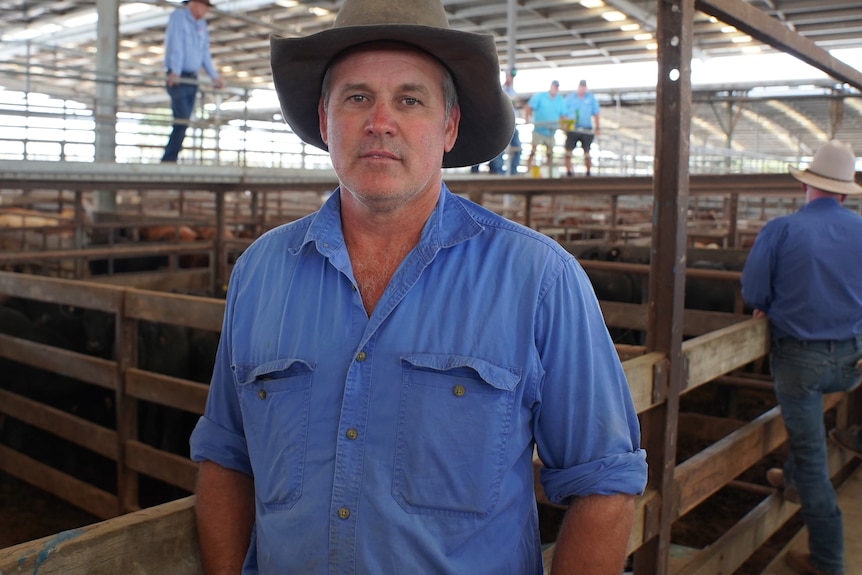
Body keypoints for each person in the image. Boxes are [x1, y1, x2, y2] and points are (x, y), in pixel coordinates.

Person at [190, 0, 647, 573]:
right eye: (357, 98)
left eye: (410, 100)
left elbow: (604, 483)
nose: (380, 121)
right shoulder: (260, 273)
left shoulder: (539, 280)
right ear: (325, 118)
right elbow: (227, 458)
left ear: (449, 126)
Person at [741, 140, 862, 575]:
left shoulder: (782, 229)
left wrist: (769, 304)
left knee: (813, 458)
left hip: (799, 362)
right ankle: (791, 479)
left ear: (808, 186)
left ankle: (829, 562)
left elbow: (754, 293)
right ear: (845, 192)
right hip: (850, 361)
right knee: (809, 432)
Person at [161, 0, 223, 163]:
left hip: (192, 78)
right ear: (194, 3)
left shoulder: (201, 24)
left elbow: (204, 53)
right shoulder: (179, 16)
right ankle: (169, 159)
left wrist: (214, 76)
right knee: (182, 118)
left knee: (184, 120)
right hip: (178, 77)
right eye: (204, 5)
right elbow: (176, 45)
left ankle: (170, 158)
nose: (206, 10)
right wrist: (175, 71)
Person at [524, 80, 567, 176]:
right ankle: (528, 170)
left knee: (550, 153)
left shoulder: (560, 100)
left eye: (556, 87)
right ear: (551, 86)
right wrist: (527, 119)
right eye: (554, 86)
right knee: (533, 151)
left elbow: (563, 115)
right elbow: (528, 107)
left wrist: (564, 127)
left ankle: (549, 172)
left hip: (551, 132)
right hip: (539, 129)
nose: (554, 88)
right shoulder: (540, 96)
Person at [563, 79, 601, 176]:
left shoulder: (590, 98)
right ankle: (568, 171)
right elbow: (563, 113)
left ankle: (588, 172)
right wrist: (564, 126)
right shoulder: (570, 98)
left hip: (586, 128)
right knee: (568, 150)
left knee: (587, 150)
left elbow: (596, 113)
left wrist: (597, 127)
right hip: (572, 128)